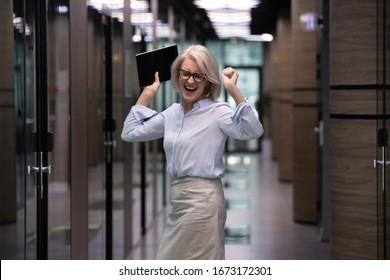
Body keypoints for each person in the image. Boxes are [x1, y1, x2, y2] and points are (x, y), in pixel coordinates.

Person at [121, 44, 263, 260]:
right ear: (177, 74)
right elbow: (130, 132)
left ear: (208, 81)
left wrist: (233, 90)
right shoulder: (172, 114)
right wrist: (148, 92)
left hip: (203, 201)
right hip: (179, 201)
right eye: (185, 73)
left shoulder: (218, 111)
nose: (190, 81)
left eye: (198, 76)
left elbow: (253, 130)